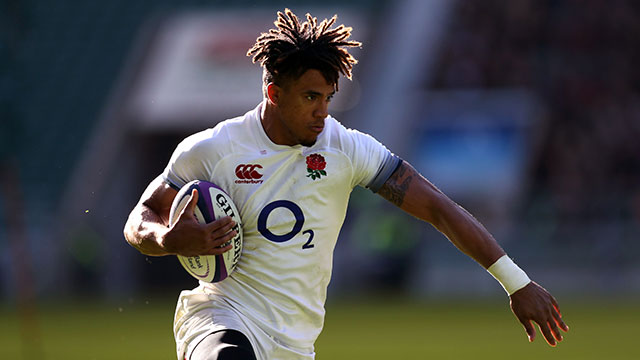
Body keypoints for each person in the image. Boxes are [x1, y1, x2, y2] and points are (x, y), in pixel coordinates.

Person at [123, 8, 569, 360]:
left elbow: (436, 207)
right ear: (274, 93)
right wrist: (166, 237)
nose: (323, 111)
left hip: (295, 344)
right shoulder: (213, 149)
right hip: (222, 319)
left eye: (329, 98)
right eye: (310, 97)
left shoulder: (347, 149)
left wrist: (517, 283)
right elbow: (139, 218)